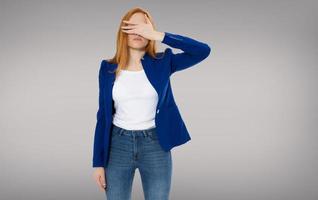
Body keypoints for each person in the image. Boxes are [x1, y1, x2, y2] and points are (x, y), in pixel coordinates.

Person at [92, 7, 211, 200]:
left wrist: (160, 35)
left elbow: (203, 51)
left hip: (155, 144)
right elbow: (102, 117)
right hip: (117, 146)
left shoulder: (163, 62)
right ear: (123, 32)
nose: (139, 32)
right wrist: (98, 162)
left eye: (144, 27)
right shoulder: (107, 68)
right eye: (133, 26)